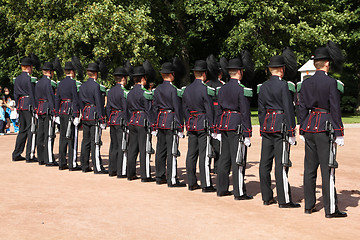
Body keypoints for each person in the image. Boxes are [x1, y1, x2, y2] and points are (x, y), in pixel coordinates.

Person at [298, 41, 347, 218]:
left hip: (310, 125)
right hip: (324, 127)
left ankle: (309, 205)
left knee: (310, 169)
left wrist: (302, 127)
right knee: (327, 169)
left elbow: (301, 107)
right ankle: (330, 209)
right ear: (327, 63)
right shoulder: (331, 82)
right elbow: (335, 108)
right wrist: (339, 132)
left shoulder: (306, 83)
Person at [258, 52, 300, 208]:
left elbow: (261, 111)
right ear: (282, 69)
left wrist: (263, 127)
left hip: (268, 126)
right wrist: (291, 130)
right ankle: (284, 199)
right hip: (281, 126)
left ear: (270, 70)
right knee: (281, 164)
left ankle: (266, 196)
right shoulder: (284, 86)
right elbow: (289, 109)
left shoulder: (263, 87)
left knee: (265, 164)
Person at [216, 57, 253, 200]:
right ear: (239, 72)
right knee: (238, 159)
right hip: (236, 124)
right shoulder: (241, 89)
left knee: (224, 158)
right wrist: (247, 132)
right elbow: (244, 112)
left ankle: (221, 188)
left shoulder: (222, 88)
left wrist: (218, 129)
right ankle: (239, 192)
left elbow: (218, 110)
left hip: (224, 124)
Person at [182, 60, 216, 192]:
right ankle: (206, 184)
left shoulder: (187, 89)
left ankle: (191, 182)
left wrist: (188, 121)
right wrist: (212, 126)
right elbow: (209, 109)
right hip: (203, 123)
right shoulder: (205, 89)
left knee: (191, 153)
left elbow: (184, 108)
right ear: (204, 73)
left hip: (191, 123)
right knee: (204, 154)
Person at [152, 62, 186, 187]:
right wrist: (180, 126)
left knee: (160, 150)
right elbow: (178, 109)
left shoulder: (157, 89)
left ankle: (159, 176)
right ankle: (172, 179)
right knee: (172, 151)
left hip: (160, 121)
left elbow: (154, 108)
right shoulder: (174, 90)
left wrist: (154, 124)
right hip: (171, 121)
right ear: (172, 75)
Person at [126, 66, 155, 182]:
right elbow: (149, 110)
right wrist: (152, 124)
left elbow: (127, 109)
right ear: (143, 78)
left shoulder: (130, 92)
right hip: (142, 121)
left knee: (132, 149)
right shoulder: (145, 92)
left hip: (132, 120)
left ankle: (130, 173)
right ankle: (145, 175)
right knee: (144, 149)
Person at [79, 62, 108, 174]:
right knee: (95, 141)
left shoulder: (83, 85)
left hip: (86, 114)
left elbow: (80, 102)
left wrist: (84, 111)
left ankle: (84, 165)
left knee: (85, 141)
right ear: (96, 74)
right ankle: (97, 167)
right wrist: (102, 118)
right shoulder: (96, 86)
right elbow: (99, 103)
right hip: (94, 114)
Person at [55, 61, 82, 171]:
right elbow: (75, 99)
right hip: (70, 111)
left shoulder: (60, 83)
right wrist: (76, 114)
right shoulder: (73, 83)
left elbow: (57, 98)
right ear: (72, 72)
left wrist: (56, 113)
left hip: (62, 111)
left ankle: (62, 162)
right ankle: (72, 163)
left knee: (62, 138)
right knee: (72, 138)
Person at [12, 56, 38, 162]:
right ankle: (30, 155)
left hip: (21, 105)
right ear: (28, 67)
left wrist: (18, 106)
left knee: (22, 131)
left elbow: (15, 94)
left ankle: (16, 153)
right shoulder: (28, 79)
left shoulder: (17, 78)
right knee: (32, 130)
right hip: (28, 105)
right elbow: (32, 94)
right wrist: (35, 107)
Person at [106, 67, 128, 178]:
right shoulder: (123, 92)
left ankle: (112, 169)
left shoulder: (110, 91)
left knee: (113, 145)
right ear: (123, 78)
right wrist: (127, 121)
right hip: (120, 119)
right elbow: (125, 108)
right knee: (122, 145)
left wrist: (109, 118)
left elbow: (108, 108)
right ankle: (121, 171)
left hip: (113, 119)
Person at [205, 55, 225, 174]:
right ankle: (217, 167)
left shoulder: (206, 84)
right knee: (218, 142)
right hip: (218, 115)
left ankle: (207, 166)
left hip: (207, 115)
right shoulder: (222, 85)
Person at [35, 62, 57, 166]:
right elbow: (51, 97)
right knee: (49, 135)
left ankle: (41, 158)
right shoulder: (48, 83)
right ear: (50, 72)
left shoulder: (38, 82)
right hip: (47, 108)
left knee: (40, 134)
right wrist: (54, 112)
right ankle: (49, 159)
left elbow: (35, 97)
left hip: (40, 108)